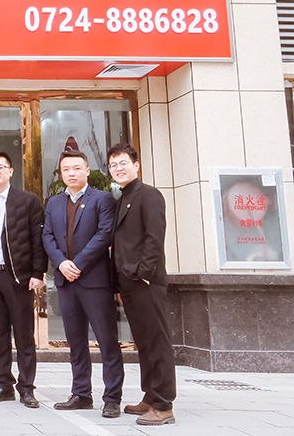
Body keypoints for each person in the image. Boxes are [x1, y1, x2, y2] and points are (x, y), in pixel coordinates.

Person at [42, 150, 124, 419]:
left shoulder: (102, 199)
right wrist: (61, 263)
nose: (71, 173)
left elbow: (104, 234)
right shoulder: (54, 203)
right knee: (75, 342)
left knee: (107, 341)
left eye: (77, 168)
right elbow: (47, 236)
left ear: (87, 171)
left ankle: (112, 398)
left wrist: (77, 263)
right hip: (66, 282)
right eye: (66, 169)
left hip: (94, 281)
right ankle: (81, 394)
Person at [107, 143, 177, 426]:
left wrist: (144, 273)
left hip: (146, 281)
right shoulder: (122, 198)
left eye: (123, 163)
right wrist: (120, 284)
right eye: (113, 165)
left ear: (136, 165)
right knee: (144, 342)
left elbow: (154, 236)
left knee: (157, 341)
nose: (118, 168)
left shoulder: (148, 194)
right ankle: (150, 395)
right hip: (128, 282)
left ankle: (163, 405)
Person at [0, 152, 46, 408]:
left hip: (20, 278)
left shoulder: (28, 201)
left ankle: (26, 388)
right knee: (0, 335)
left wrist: (38, 273)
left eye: (1, 167)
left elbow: (37, 240)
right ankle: (3, 384)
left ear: (11, 171)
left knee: (24, 335)